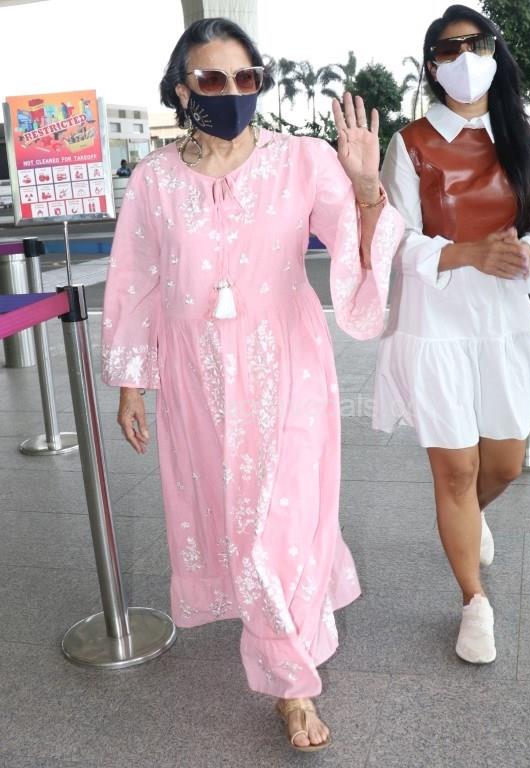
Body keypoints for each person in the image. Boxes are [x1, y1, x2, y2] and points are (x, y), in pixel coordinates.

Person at [101, 17, 403, 752]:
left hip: (288, 367)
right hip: (196, 380)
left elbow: (357, 243)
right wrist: (132, 382)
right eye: (213, 79)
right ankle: (290, 634)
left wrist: (366, 188)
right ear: (182, 90)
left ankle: (293, 686)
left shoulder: (302, 160)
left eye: (247, 78)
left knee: (282, 519)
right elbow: (136, 281)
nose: (233, 92)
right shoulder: (154, 181)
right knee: (238, 515)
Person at [373, 5, 530, 663]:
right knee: (456, 470)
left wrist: (529, 253)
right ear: (432, 66)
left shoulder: (525, 139)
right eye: (447, 48)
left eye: (476, 43)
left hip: (503, 321)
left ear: (495, 52)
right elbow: (396, 240)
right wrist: (469, 254)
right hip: (434, 325)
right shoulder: (410, 143)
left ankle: (466, 517)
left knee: (504, 464)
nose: (463, 57)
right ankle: (473, 601)